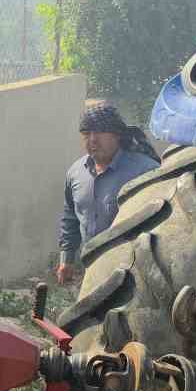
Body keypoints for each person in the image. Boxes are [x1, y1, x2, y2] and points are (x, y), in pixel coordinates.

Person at [56, 103, 159, 285]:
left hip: (135, 275)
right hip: (92, 271)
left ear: (117, 135)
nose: (93, 140)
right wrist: (66, 259)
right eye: (87, 134)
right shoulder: (76, 173)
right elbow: (71, 217)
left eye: (100, 132)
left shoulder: (146, 172)